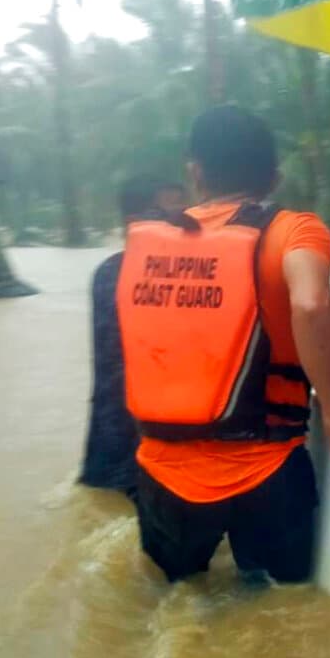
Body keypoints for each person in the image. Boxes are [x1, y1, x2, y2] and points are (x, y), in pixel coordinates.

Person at [117, 105, 330, 583]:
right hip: (266, 468)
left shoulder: (152, 242)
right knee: (280, 606)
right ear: (274, 177)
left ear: (195, 172)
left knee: (174, 600)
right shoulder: (294, 230)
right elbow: (312, 304)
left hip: (162, 472)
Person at [79, 176, 186, 498]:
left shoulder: (108, 271)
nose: (182, 225)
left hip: (114, 445)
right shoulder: (128, 273)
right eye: (168, 216)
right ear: (133, 223)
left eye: (185, 215)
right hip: (134, 447)